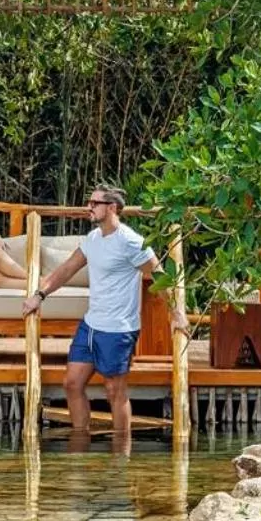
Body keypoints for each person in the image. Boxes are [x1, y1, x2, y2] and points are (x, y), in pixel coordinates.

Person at [21, 184, 187, 437]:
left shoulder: (131, 242)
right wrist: (39, 295)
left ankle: (120, 455)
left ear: (112, 208)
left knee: (114, 391)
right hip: (90, 325)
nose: (89, 207)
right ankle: (81, 445)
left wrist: (175, 313)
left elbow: (159, 276)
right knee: (72, 384)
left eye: (94, 203)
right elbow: (66, 269)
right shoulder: (93, 239)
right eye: (89, 202)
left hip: (119, 329)